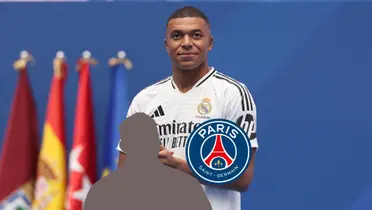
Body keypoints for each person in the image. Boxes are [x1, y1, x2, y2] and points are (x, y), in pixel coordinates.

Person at [116, 6, 259, 210]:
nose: (186, 43)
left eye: (196, 35)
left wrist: (180, 167)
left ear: (209, 43)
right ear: (166, 45)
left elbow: (243, 178)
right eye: (177, 36)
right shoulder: (144, 100)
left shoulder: (232, 93)